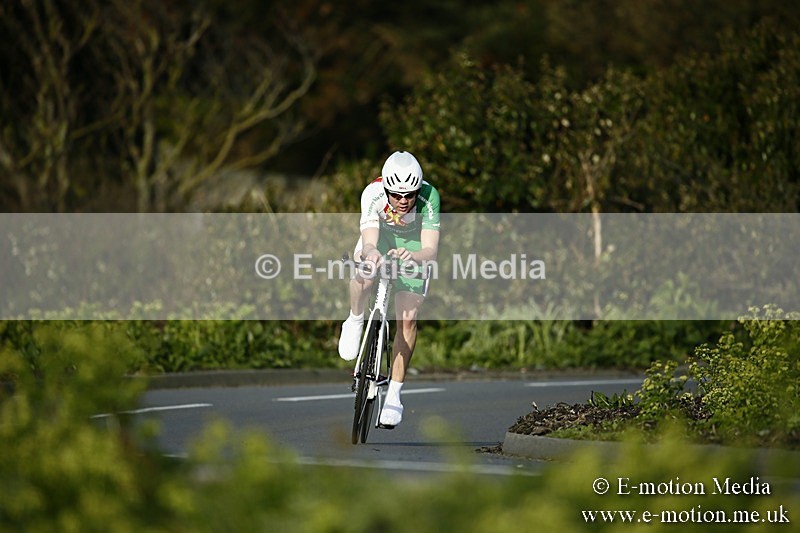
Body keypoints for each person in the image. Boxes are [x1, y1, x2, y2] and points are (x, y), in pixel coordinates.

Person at [338, 150, 440, 428]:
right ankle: (356, 318)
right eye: (396, 195)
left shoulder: (430, 196)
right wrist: (371, 254)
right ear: (386, 188)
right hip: (379, 241)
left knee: (407, 316)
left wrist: (413, 257)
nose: (403, 201)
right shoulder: (372, 193)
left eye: (410, 195)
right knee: (364, 275)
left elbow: (430, 249)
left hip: (414, 251)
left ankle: (394, 394)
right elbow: (368, 239)